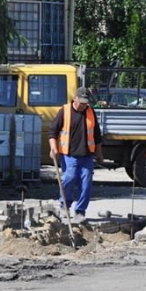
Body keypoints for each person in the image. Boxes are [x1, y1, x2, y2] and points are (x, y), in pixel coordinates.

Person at [48, 87, 104, 223]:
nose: (84, 105)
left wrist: (99, 153)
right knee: (69, 178)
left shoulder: (91, 112)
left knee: (86, 182)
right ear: (75, 98)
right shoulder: (64, 111)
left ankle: (80, 211)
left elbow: (97, 135)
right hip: (69, 154)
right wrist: (53, 148)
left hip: (87, 155)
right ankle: (65, 205)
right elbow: (52, 132)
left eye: (86, 102)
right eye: (82, 102)